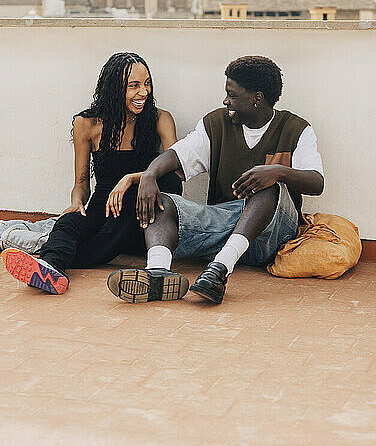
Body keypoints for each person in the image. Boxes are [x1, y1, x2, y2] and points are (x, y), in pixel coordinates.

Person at [107, 55, 324, 304]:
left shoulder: (296, 128)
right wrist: (149, 175)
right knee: (163, 202)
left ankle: (219, 271)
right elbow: (177, 155)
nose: (226, 100)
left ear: (257, 98)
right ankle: (157, 273)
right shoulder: (216, 123)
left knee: (268, 187)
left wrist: (277, 172)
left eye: (232, 95)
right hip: (223, 227)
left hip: (271, 234)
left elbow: (317, 182)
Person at [1, 52, 183, 295]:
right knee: (68, 222)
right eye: (134, 86)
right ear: (113, 88)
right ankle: (50, 267)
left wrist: (130, 179)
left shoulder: (161, 119)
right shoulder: (87, 124)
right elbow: (81, 183)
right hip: (104, 202)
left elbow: (177, 170)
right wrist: (76, 203)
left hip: (141, 207)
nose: (144, 92)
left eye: (147, 83)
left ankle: (56, 257)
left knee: (162, 186)